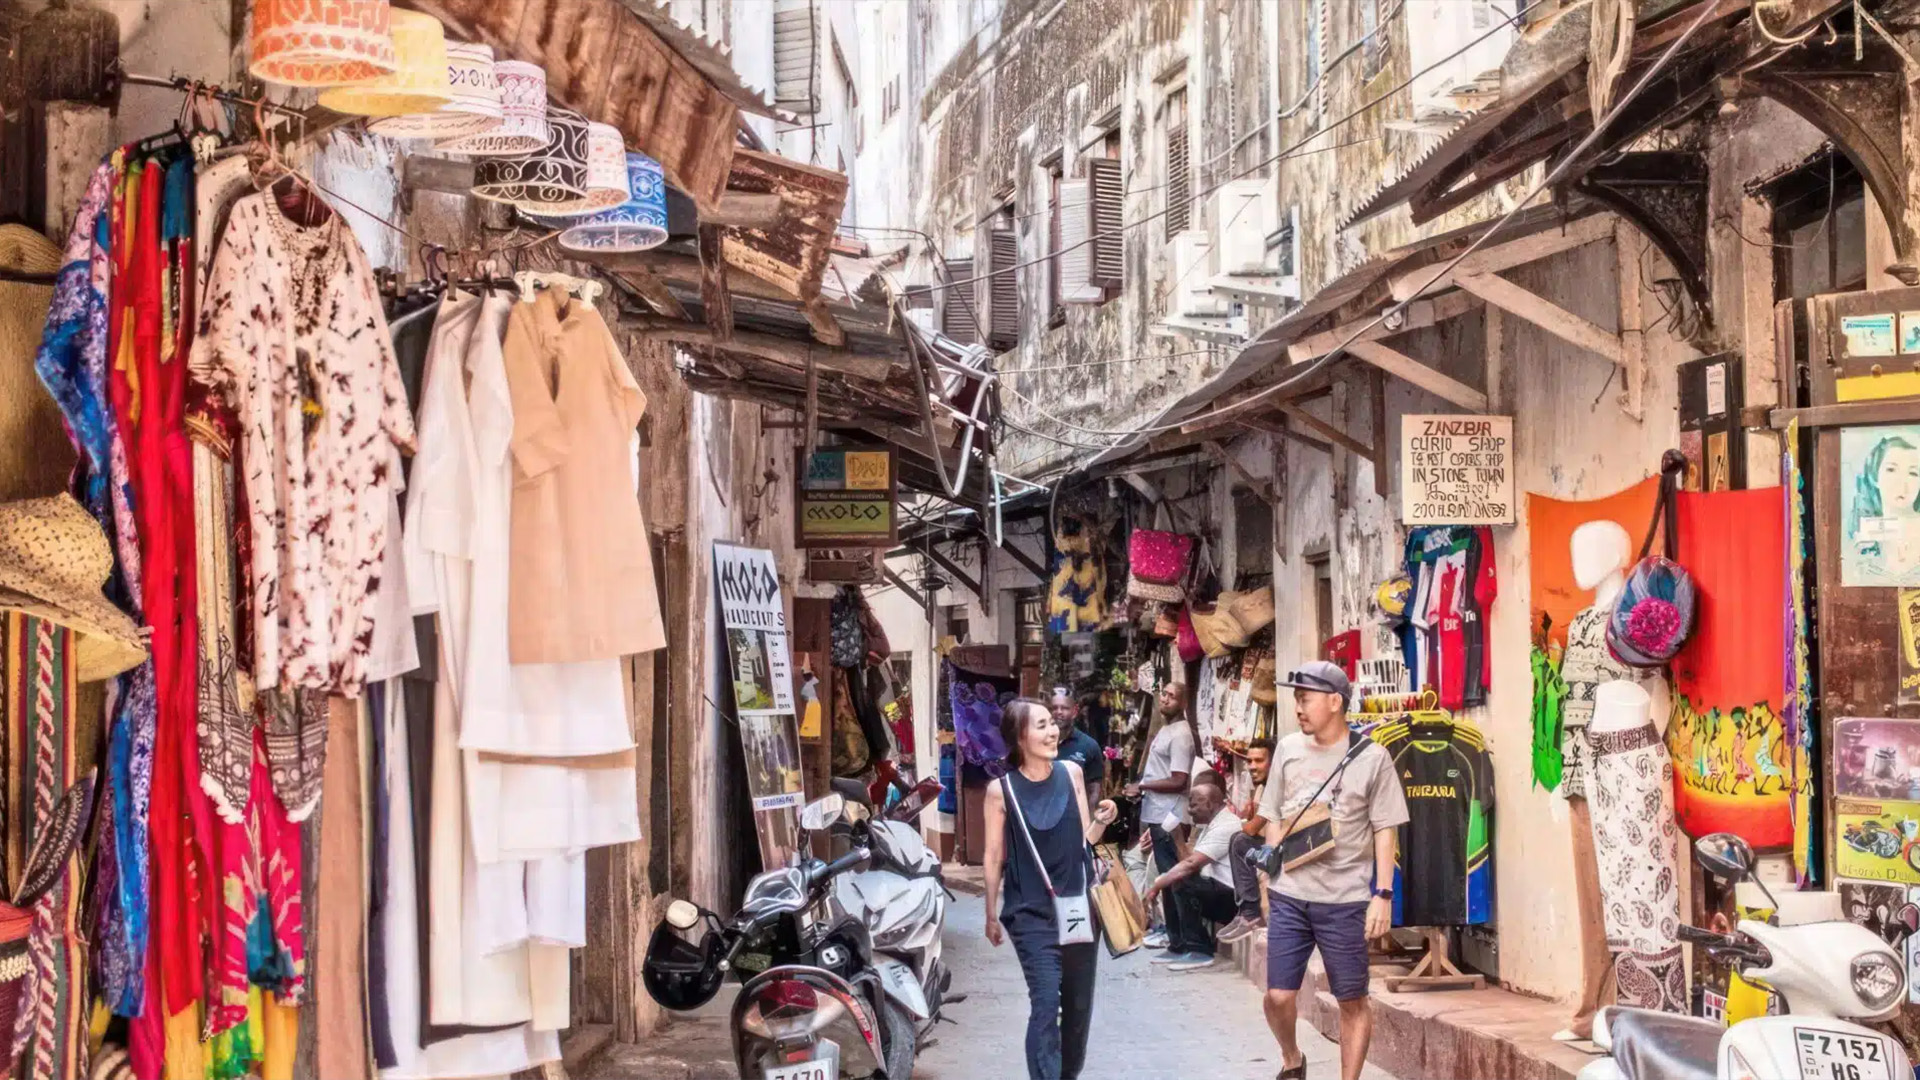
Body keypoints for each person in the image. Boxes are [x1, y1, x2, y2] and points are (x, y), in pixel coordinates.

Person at [1259, 662, 1408, 1080]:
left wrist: (1382, 894)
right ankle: (1292, 1059)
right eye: (1297, 699)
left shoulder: (1373, 758)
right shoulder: (1287, 749)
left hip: (1345, 900)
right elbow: (1272, 813)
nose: (1298, 708)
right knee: (1277, 996)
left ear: (1335, 702)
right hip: (1291, 892)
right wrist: (1270, 874)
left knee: (1352, 1000)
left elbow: (1385, 828)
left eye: (1305, 699)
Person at [983, 698, 1120, 1080]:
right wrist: (991, 913)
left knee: (1077, 1010)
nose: (1052, 731)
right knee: (1045, 1003)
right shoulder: (1001, 791)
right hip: (1030, 914)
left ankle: (1067, 1074)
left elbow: (1083, 841)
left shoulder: (1073, 773)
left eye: (1052, 724)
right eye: (1040, 725)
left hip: (1077, 909)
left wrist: (1104, 820)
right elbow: (993, 856)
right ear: (1020, 737)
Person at [1140, 773, 1242, 971]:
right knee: (1173, 877)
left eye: (1194, 805)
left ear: (1210, 804)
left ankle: (1200, 950)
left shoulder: (1227, 825)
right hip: (1215, 891)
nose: (1189, 810)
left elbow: (1191, 865)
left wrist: (1155, 886)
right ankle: (1178, 945)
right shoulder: (1210, 825)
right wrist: (1177, 837)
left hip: (1231, 901)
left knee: (1179, 880)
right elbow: (1187, 861)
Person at [1124, 682, 1196, 947]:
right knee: (1165, 874)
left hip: (1171, 816)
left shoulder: (1180, 735)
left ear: (1184, 703)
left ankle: (1179, 939)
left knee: (1171, 874)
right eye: (1163, 694)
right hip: (1159, 813)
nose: (1165, 699)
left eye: (1172, 696)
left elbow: (1179, 781)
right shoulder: (1168, 729)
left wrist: (1142, 785)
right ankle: (1171, 933)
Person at [1217, 738, 1275, 944]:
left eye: (1259, 761)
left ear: (1273, 761)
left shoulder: (1276, 788)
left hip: (1284, 855)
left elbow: (1251, 829)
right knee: (1239, 841)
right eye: (1249, 761)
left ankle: (1250, 913)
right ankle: (1245, 911)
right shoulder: (1263, 787)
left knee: (1240, 841)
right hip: (1272, 851)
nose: (1252, 766)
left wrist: (1227, 825)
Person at [1051, 687, 1107, 801]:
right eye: (1054, 708)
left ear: (1075, 711)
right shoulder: (1037, 743)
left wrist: (1088, 817)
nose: (1059, 712)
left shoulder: (1089, 746)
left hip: (1074, 816)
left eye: (1065, 708)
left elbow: (1094, 791)